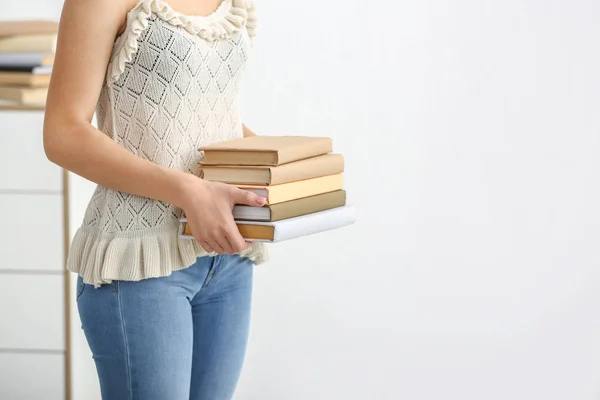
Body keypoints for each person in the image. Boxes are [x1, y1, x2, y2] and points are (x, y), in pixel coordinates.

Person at [43, 0, 268, 398]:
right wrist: (188, 190)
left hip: (229, 256)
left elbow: (208, 110)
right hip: (140, 264)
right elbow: (63, 133)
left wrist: (283, 164)